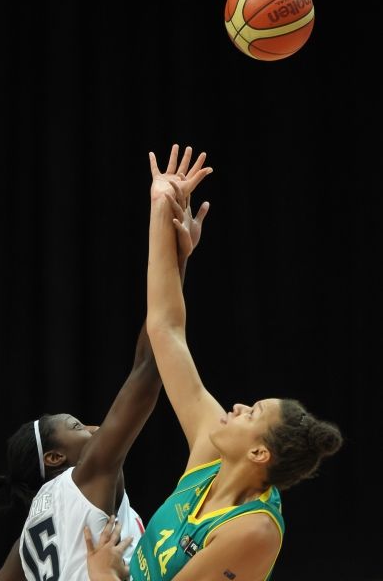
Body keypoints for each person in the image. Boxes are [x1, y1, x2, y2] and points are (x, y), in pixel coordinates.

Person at [90, 143, 343, 581]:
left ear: (259, 451)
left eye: (254, 412)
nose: (240, 406)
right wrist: (160, 209)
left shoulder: (254, 529)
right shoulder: (213, 450)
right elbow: (165, 330)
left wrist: (102, 573)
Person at [0, 147, 212, 581]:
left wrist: (178, 257)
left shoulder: (30, 533)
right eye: (76, 426)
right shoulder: (84, 478)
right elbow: (151, 364)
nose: (93, 427)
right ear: (55, 457)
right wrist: (166, 230)